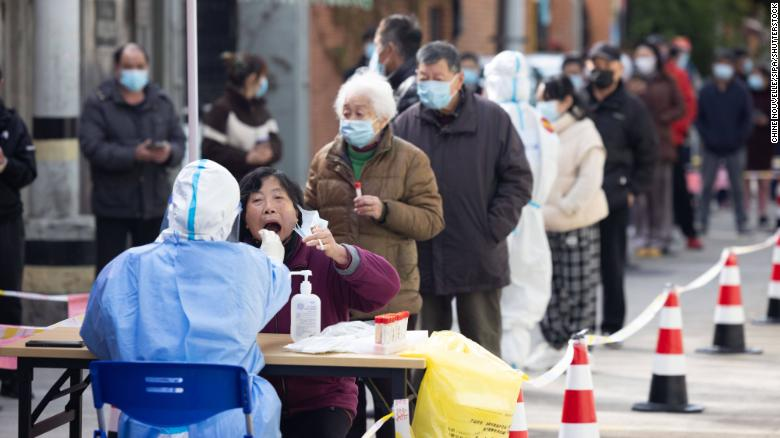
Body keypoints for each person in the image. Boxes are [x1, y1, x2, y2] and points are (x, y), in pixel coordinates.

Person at [81, 159, 291, 437]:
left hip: (146, 422)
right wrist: (274, 262)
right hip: (230, 423)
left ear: (172, 207)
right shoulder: (254, 265)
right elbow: (272, 295)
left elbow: (98, 341)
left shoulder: (124, 266)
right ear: (231, 214)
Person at [304, 71, 444, 436]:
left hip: (391, 301)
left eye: (360, 113)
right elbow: (307, 215)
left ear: (382, 119)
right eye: (345, 112)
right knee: (343, 395)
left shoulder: (411, 160)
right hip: (338, 299)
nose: (350, 121)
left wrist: (387, 211)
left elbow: (432, 221)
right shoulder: (325, 160)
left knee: (392, 401)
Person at [393, 41, 533, 356]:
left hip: (478, 251)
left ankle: (486, 407)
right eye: (422, 76)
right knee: (425, 352)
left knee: (482, 348)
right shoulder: (406, 123)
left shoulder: (492, 118)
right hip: (424, 254)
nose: (428, 85)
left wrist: (493, 228)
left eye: (437, 77)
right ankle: (427, 408)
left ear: (458, 79)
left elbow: (518, 178)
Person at [240, 167, 400, 438]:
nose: (268, 208)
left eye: (279, 198)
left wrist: (341, 254)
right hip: (255, 397)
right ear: (244, 220)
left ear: (297, 213)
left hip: (324, 398)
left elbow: (387, 289)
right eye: (256, 201)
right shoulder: (235, 263)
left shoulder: (321, 256)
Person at [524, 74, 608, 370]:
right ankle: (553, 342)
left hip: (575, 221)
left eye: (547, 98)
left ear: (567, 101)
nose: (541, 104)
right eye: (539, 97)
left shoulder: (585, 131)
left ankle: (580, 346)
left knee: (579, 286)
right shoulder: (539, 129)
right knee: (547, 285)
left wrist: (567, 206)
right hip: (542, 222)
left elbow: (590, 179)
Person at [80, 42, 186, 273]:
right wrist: (133, 154)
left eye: (140, 66)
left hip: (153, 205)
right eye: (129, 66)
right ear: (117, 68)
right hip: (113, 206)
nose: (135, 72)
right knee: (111, 272)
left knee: (151, 273)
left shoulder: (161, 102)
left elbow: (179, 142)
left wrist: (168, 153)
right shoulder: (99, 103)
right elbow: (92, 147)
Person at [483, 50, 559, 368]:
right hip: (530, 217)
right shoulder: (542, 122)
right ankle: (514, 362)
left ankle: (494, 363)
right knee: (525, 293)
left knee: (487, 296)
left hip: (493, 217)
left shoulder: (487, 117)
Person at [585, 42, 657, 338]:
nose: (600, 71)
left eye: (607, 66)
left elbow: (649, 152)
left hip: (615, 196)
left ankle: (612, 326)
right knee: (580, 267)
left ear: (620, 69)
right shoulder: (579, 101)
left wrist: (634, 189)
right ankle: (580, 326)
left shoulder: (632, 108)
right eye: (595, 65)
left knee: (611, 265)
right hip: (579, 199)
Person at [627, 42, 684, 257]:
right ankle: (642, 236)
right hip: (636, 146)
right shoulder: (630, 82)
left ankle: (661, 236)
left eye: (647, 55)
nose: (643, 59)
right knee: (640, 196)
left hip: (661, 144)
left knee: (661, 194)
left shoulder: (667, 80)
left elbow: (681, 107)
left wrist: (664, 119)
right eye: (639, 54)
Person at [0, 67, 37, 398]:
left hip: (7, 222)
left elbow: (29, 172)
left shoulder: (12, 125)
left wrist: (4, 165)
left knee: (9, 299)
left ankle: (10, 376)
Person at [695, 49, 754, 235]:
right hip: (710, 146)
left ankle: (741, 222)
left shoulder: (741, 90)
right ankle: (702, 221)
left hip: (734, 146)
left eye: (726, 64)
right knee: (705, 186)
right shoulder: (706, 90)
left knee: (737, 187)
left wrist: (739, 138)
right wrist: (707, 136)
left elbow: (747, 118)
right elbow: (698, 118)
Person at [202, 52, 282, 182]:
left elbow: (277, 144)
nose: (264, 81)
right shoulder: (222, 109)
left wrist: (269, 152)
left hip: (261, 184)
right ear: (251, 79)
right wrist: (246, 157)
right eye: (262, 76)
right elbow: (210, 150)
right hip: (231, 186)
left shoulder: (261, 109)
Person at [667, 37, 702, 250]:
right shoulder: (667, 75)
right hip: (658, 141)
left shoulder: (683, 75)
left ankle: (688, 231)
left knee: (679, 188)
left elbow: (688, 106)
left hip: (675, 140)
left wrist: (680, 130)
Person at [369, 14, 422, 113]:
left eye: (377, 46)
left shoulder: (409, 94)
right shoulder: (407, 85)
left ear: (389, 50)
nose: (375, 54)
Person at [744, 66, 771, 229]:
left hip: (766, 144)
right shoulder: (746, 95)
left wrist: (766, 122)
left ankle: (763, 213)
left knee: (764, 182)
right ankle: (745, 212)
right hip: (747, 143)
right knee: (746, 180)